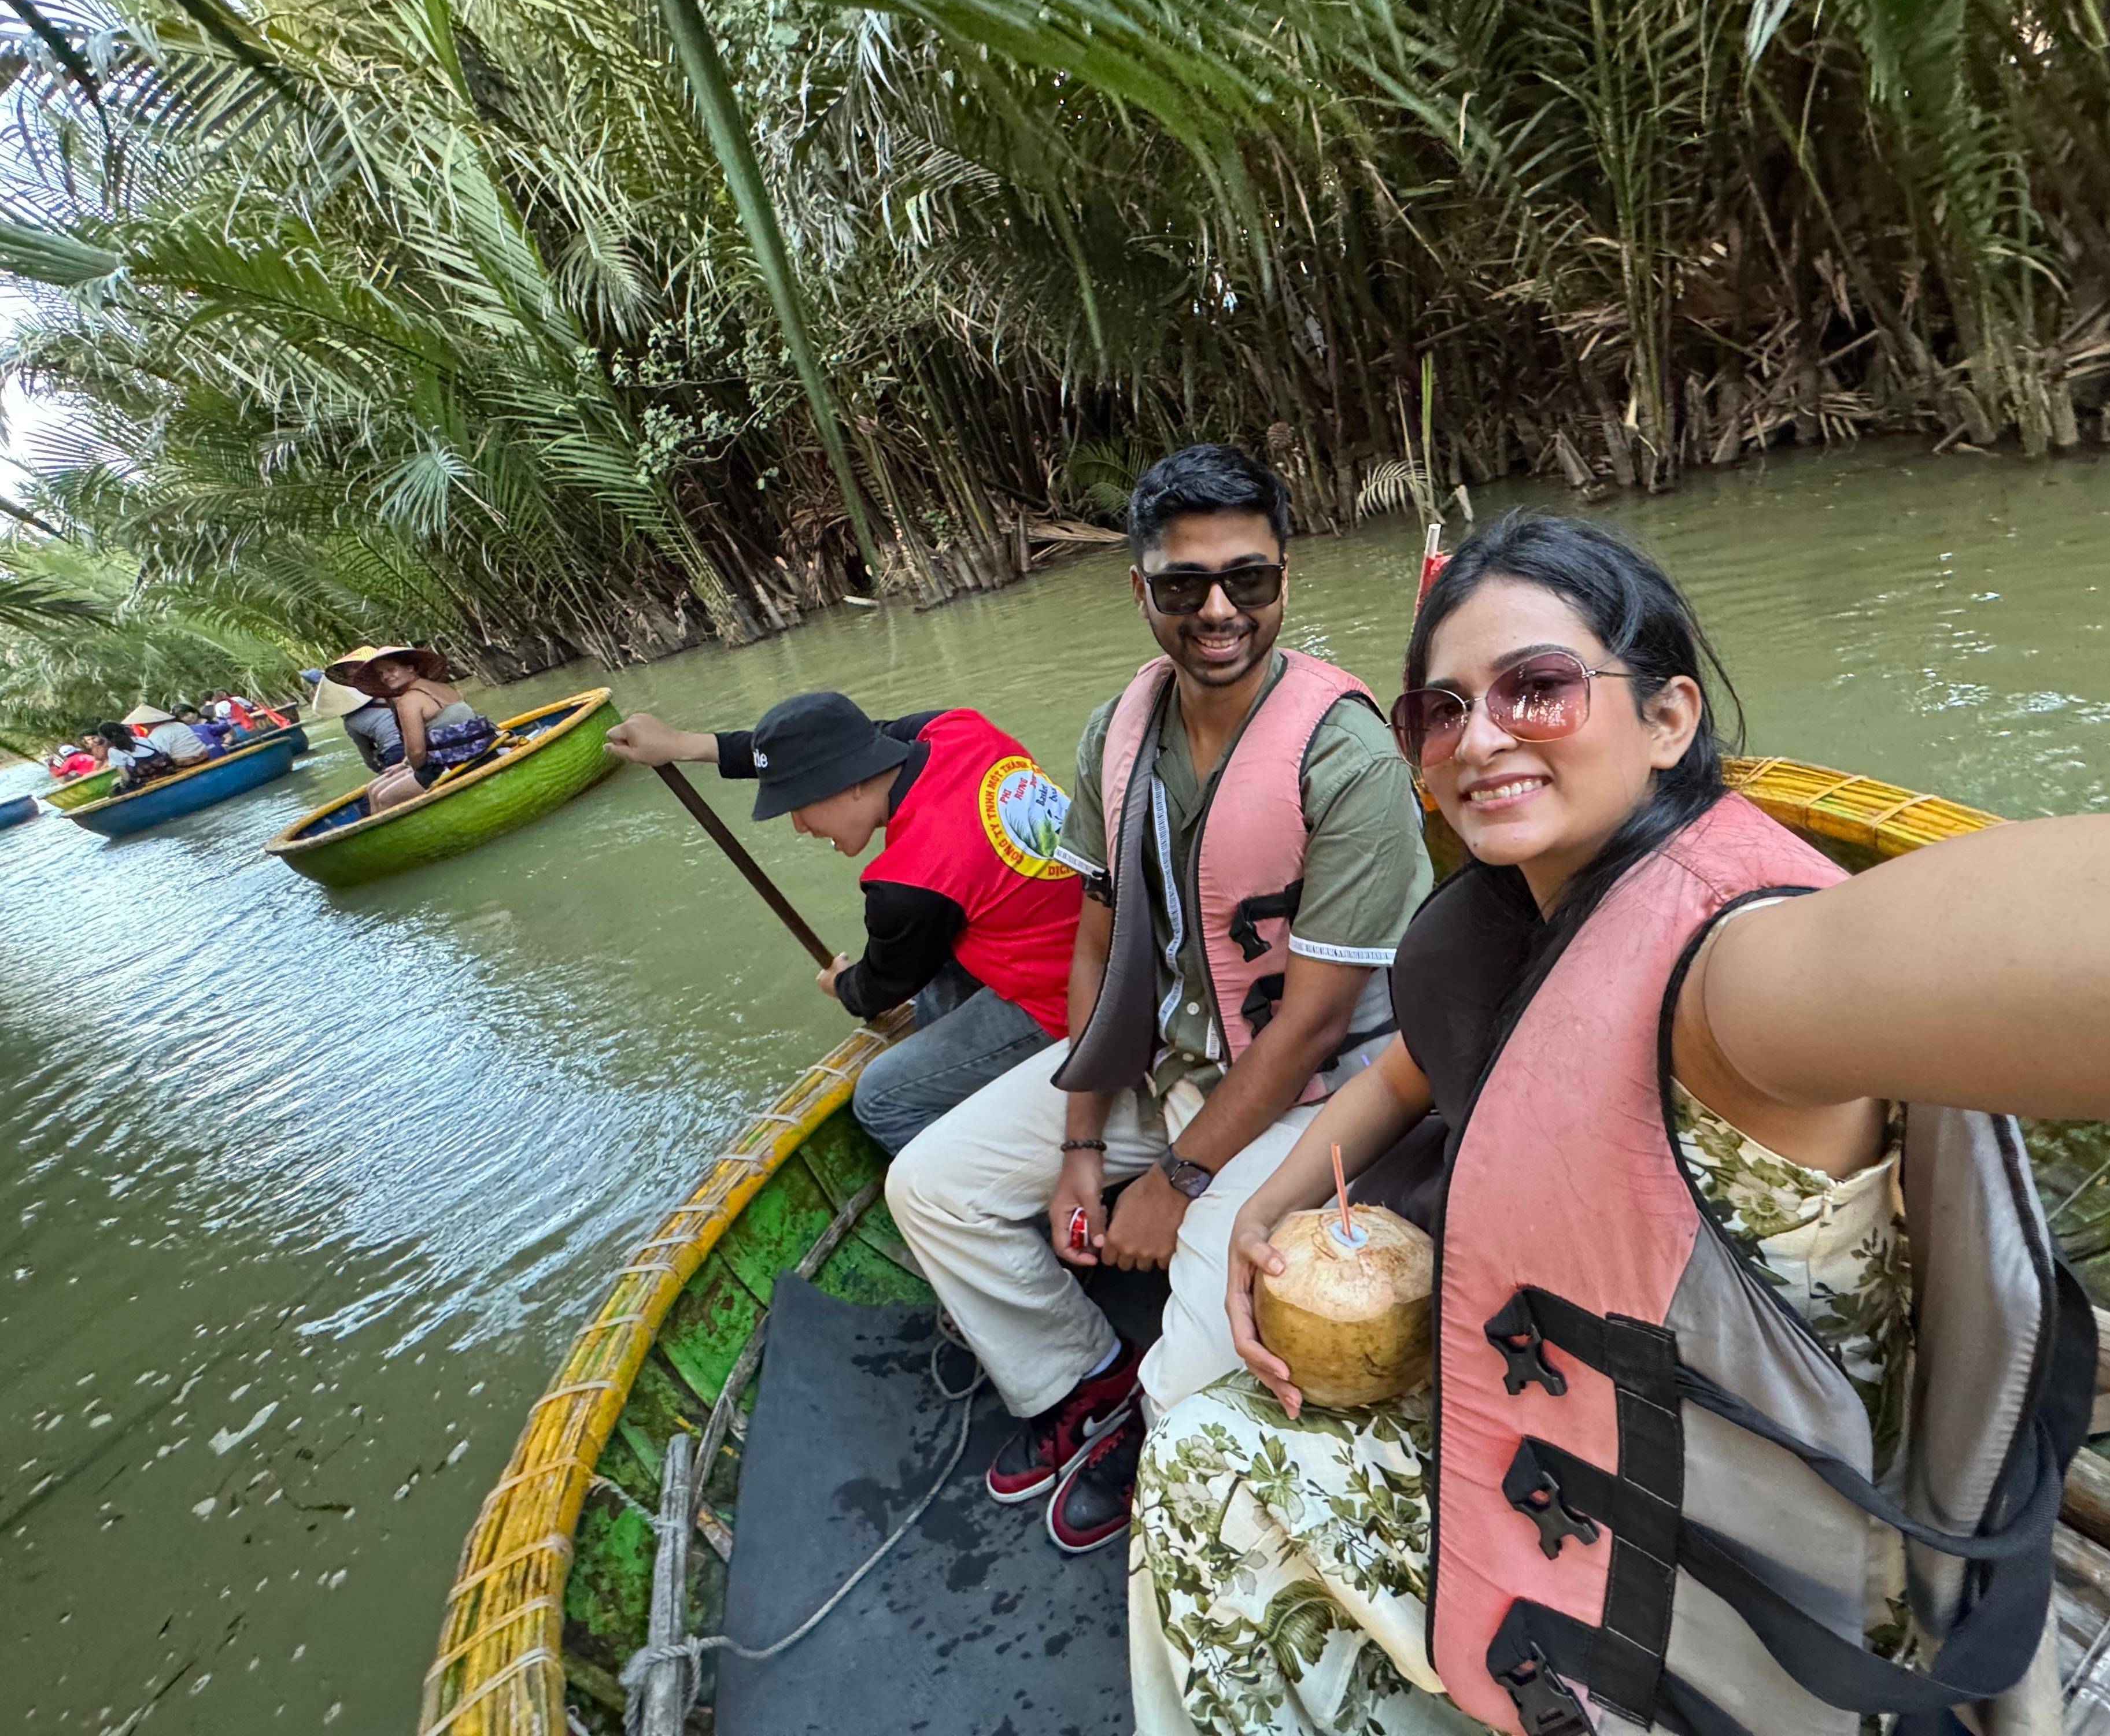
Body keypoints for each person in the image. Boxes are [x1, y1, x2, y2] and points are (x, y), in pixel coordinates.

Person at [1130, 511, 2110, 1736]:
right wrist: (1270, 1202)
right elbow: (1412, 1072)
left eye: (1537, 688)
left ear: (1667, 719)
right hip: (1585, 1425)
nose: (1479, 737)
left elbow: (1931, 952)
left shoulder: (1733, 975)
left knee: (1198, 1462)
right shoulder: (1517, 909)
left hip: (1711, 1554)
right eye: (1440, 711)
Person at [885, 443, 1435, 1556]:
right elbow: (1096, 942)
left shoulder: (1350, 759)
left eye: (1248, 578)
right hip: (1169, 1061)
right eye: (1185, 584)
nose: (1219, 610)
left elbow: (1313, 1024)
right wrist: (1081, 1140)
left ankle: (1153, 1413)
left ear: (1284, 578)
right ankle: (1080, 1375)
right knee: (929, 1184)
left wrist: (1175, 1185)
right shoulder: (1116, 732)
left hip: (1312, 1093)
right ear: (1141, 590)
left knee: (1193, 1367)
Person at [603, 693, 1083, 1153]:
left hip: (1068, 1000)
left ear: (852, 781)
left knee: (880, 1098)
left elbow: (879, 988)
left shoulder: (910, 880)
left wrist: (843, 985)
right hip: (1102, 938)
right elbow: (833, 741)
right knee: (936, 965)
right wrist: (683, 745)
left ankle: (1016, 1188)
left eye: (799, 805)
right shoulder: (960, 730)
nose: (799, 826)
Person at [322, 647, 496, 813]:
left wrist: (413, 769)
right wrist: (405, 765)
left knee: (382, 797)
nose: (386, 677)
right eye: (381, 674)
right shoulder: (445, 687)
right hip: (473, 750)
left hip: (454, 762)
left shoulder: (408, 701)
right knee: (374, 788)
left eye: (391, 670)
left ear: (410, 668)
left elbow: (417, 751)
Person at [95, 720, 188, 791]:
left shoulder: (114, 751)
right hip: (168, 772)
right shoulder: (141, 740)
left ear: (105, 738)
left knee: (115, 786)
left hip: (147, 781)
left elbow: (126, 778)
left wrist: (122, 786)